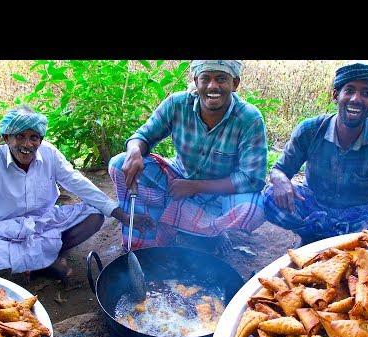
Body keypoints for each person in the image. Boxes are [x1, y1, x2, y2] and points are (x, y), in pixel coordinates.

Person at [0, 105, 142, 285]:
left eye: (34, 138)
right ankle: (45, 262)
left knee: (95, 215)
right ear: (7, 139)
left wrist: (120, 214)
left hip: (46, 222)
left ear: (41, 140)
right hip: (7, 228)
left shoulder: (50, 154)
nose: (27, 144)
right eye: (20, 137)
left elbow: (78, 183)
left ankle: (45, 259)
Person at [108, 60, 268, 254]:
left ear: (235, 83)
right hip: (178, 182)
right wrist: (134, 150)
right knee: (118, 164)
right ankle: (159, 233)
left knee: (254, 208)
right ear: (196, 81)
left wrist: (195, 186)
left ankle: (208, 232)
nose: (212, 86)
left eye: (221, 79)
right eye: (205, 79)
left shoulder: (249, 118)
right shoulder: (177, 104)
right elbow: (143, 136)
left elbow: (252, 179)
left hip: (220, 193)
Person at [262, 63, 368, 245]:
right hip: (313, 206)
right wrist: (280, 179)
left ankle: (332, 242)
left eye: (366, 93)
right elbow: (280, 169)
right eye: (349, 90)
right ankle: (315, 238)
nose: (355, 99)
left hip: (359, 213)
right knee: (271, 196)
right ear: (336, 95)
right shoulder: (310, 130)